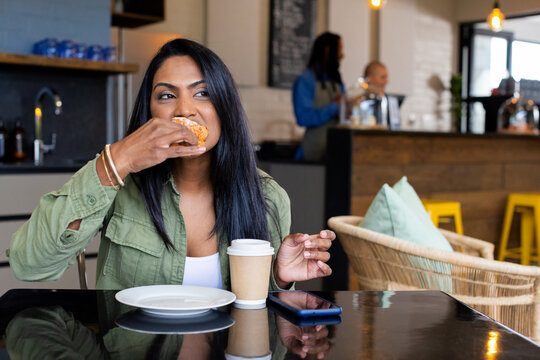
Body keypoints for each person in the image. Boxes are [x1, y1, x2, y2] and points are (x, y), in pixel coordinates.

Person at [7, 38, 335, 291]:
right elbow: (29, 265)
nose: (185, 110)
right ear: (149, 112)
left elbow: (263, 325)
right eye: (166, 96)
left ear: (225, 107)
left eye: (203, 93)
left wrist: (279, 279)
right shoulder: (122, 184)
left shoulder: (268, 198)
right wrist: (118, 159)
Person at [292, 32, 345, 162]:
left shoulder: (337, 80)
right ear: (328, 51)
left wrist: (347, 109)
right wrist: (335, 107)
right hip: (313, 152)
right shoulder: (305, 80)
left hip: (335, 150)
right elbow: (303, 118)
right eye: (339, 49)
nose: (342, 55)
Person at [363, 60, 401, 129]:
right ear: (369, 79)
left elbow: (396, 127)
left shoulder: (390, 102)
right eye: (383, 77)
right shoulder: (359, 101)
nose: (387, 81)